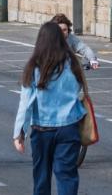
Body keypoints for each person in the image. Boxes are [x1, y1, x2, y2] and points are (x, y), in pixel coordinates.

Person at [13, 22, 86, 195]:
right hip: (69, 126)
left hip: (42, 128)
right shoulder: (72, 63)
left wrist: (19, 132)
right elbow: (78, 91)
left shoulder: (34, 67)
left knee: (41, 177)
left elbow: (26, 103)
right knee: (66, 175)